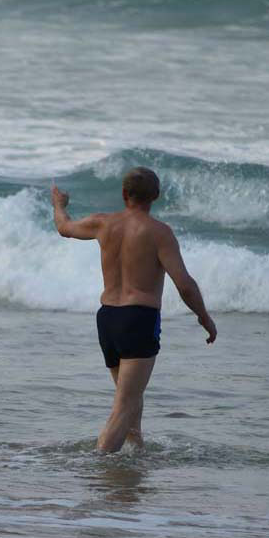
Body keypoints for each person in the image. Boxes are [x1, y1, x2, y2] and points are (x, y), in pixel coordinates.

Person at [51, 166, 216, 453]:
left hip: (108, 319)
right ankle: (99, 464)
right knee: (124, 405)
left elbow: (64, 227)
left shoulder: (103, 224)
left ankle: (134, 454)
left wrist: (58, 205)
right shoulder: (159, 233)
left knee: (129, 396)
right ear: (156, 195)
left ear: (124, 194)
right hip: (138, 319)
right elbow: (185, 284)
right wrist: (204, 317)